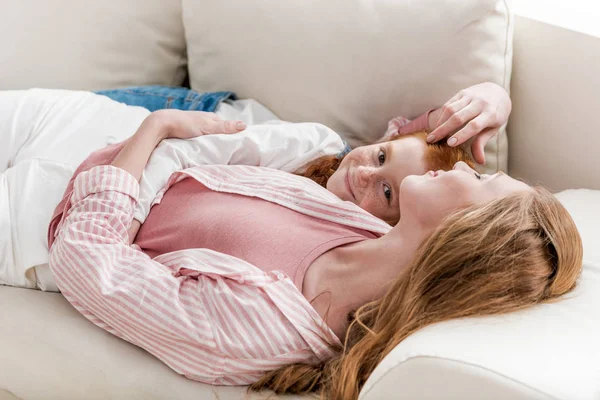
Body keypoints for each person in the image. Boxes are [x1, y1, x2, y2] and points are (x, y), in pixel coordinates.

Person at [47, 109, 583, 400]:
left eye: (484, 179)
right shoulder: (365, 224)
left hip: (45, 206)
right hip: (98, 138)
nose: (465, 167)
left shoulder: (269, 325)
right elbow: (400, 151)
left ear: (470, 236)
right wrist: (493, 96)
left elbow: (85, 260)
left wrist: (154, 130)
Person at [1, 82, 504, 290]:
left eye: (387, 194)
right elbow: (179, 148)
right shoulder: (322, 147)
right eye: (379, 156)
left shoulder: (320, 260)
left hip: (65, 201)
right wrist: (493, 95)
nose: (366, 175)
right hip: (134, 125)